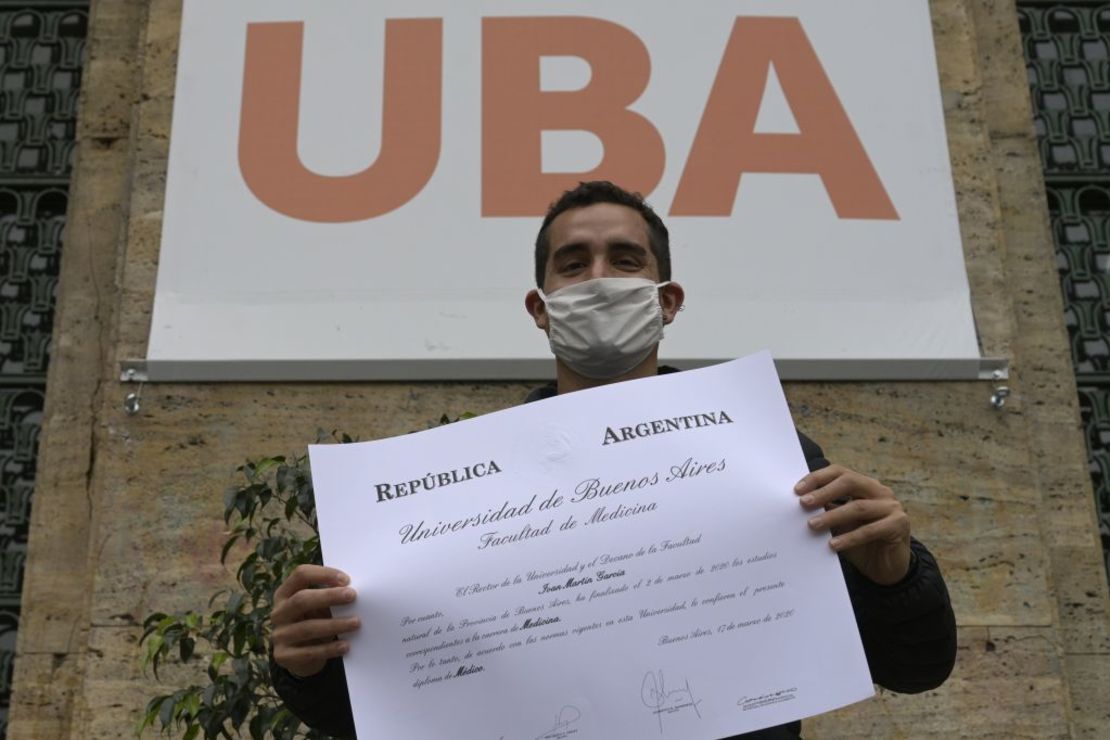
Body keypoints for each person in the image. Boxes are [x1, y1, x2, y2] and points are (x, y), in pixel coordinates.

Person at [268, 181, 957, 739]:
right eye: (574, 263)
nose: (599, 279)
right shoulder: (453, 500)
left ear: (669, 300)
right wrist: (306, 668)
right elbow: (363, 715)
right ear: (541, 308)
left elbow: (917, 667)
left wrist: (894, 575)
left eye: (625, 260)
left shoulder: (767, 455)